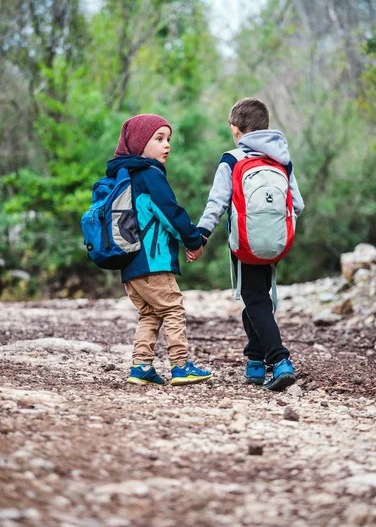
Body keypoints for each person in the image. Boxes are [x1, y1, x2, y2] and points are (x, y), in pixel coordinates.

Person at [189, 98, 304, 391]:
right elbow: (298, 205)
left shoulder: (232, 159)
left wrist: (200, 236)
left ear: (236, 130)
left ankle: (279, 361)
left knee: (255, 300)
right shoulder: (282, 160)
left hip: (244, 243)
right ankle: (254, 361)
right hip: (274, 243)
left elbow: (217, 204)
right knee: (257, 298)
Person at [107, 113, 212, 386]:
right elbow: (170, 213)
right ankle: (181, 365)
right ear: (140, 143)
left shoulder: (125, 176)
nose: (167, 145)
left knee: (150, 313)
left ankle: (141, 367)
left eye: (169, 139)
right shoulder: (150, 175)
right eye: (159, 138)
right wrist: (194, 240)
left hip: (130, 264)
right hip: (153, 262)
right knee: (173, 309)